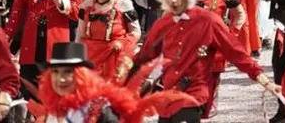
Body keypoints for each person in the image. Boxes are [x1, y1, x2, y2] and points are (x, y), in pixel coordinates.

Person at [131, 0, 282, 123]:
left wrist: (266, 82)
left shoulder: (208, 20)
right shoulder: (162, 23)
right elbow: (144, 56)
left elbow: (236, 53)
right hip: (168, 99)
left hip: (194, 95)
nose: (173, 0)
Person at [27, 42, 188, 123]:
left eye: (68, 72)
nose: (61, 79)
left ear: (82, 76)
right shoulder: (52, 110)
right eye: (55, 72)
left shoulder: (99, 111)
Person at [77, 0, 140, 83]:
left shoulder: (124, 4)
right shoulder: (85, 6)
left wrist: (122, 44)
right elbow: (80, 35)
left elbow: (136, 32)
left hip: (114, 56)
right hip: (90, 57)